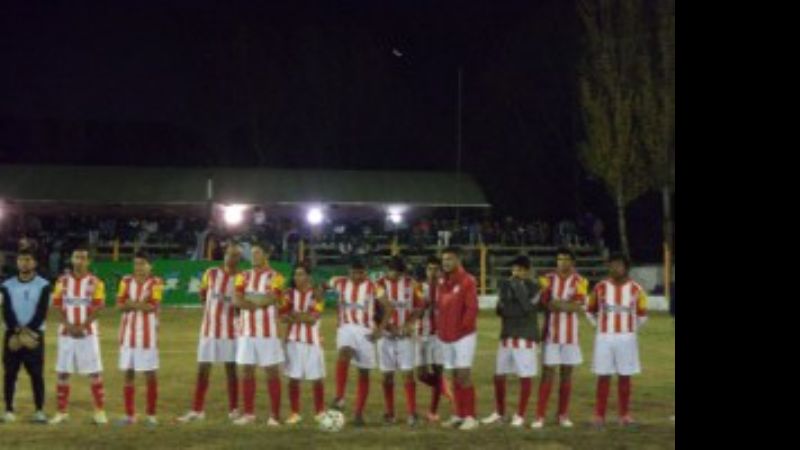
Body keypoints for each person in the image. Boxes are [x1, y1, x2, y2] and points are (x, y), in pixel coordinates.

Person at [178, 243, 243, 423]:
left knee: (231, 370)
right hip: (209, 329)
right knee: (203, 369)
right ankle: (197, 410)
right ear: (224, 255)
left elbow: (241, 305)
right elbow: (202, 295)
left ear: (239, 259)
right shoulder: (211, 273)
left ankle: (234, 410)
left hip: (230, 331)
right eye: (229, 254)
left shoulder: (241, 278)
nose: (232, 258)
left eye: (236, 256)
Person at [328, 259, 393, 426]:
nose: (357, 276)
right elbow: (324, 285)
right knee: (344, 353)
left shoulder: (374, 287)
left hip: (366, 332)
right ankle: (340, 396)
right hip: (346, 328)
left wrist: (380, 329)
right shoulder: (339, 282)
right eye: (354, 272)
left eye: (361, 273)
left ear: (366, 272)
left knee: (364, 373)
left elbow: (388, 306)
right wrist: (319, 291)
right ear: (349, 271)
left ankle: (358, 413)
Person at [586, 253, 648, 427]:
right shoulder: (600, 288)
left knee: (625, 376)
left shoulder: (636, 289)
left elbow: (642, 315)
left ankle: (624, 415)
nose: (615, 268)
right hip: (604, 338)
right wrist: (598, 328)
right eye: (612, 265)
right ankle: (599, 415)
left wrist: (630, 330)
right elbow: (590, 310)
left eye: (619, 265)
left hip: (627, 339)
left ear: (625, 267)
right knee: (603, 375)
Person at [49, 245, 108, 425]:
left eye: (83, 258)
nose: (80, 261)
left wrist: (82, 326)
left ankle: (99, 412)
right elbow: (57, 306)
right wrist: (69, 326)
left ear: (88, 261)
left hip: (88, 334)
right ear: (72, 259)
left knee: (95, 372)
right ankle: (62, 412)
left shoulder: (96, 282)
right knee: (63, 372)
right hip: (66, 334)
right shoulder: (62, 282)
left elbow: (98, 307)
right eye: (77, 257)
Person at [481, 256, 541, 428]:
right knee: (499, 375)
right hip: (507, 335)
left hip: (525, 337)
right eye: (514, 270)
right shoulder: (506, 285)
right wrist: (506, 301)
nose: (516, 273)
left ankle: (520, 414)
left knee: (525, 375)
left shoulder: (535, 287)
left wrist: (516, 290)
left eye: (520, 270)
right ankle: (499, 412)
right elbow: (500, 310)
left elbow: (527, 308)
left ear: (528, 271)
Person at [533, 248, 589, 429]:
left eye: (566, 259)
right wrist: (565, 304)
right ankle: (540, 415)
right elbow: (544, 304)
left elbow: (578, 306)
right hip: (551, 335)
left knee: (566, 374)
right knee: (547, 374)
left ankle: (562, 415)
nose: (562, 262)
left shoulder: (580, 281)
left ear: (572, 262)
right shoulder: (547, 279)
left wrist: (558, 304)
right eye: (559, 259)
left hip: (570, 337)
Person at [232, 243, 286, 426]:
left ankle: (275, 416)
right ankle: (249, 414)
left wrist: (248, 300)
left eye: (258, 252)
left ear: (266, 254)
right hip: (246, 331)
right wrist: (256, 304)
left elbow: (272, 298)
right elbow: (235, 300)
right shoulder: (242, 276)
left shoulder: (276, 276)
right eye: (252, 253)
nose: (254, 256)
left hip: (268, 332)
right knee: (246, 371)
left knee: (271, 372)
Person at [0, 249, 50, 423]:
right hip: (12, 335)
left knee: (36, 374)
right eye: (21, 259)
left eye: (28, 259)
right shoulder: (7, 285)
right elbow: (6, 311)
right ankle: (8, 410)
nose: (24, 263)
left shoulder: (43, 285)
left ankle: (39, 411)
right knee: (9, 374)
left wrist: (27, 332)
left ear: (34, 263)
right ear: (17, 262)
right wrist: (18, 332)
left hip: (34, 335)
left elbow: (41, 312)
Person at [115, 251, 163, 426]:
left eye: (143, 264)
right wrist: (137, 305)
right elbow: (119, 305)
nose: (139, 267)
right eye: (136, 264)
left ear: (150, 265)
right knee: (128, 374)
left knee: (150, 374)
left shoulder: (156, 282)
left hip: (147, 337)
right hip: (127, 336)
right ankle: (130, 415)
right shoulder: (126, 281)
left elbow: (153, 306)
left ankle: (151, 415)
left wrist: (131, 304)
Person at [375, 256, 424, 426]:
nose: (394, 273)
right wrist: (386, 327)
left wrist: (409, 323)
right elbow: (374, 311)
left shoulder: (412, 284)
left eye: (397, 270)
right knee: (387, 376)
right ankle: (390, 413)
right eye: (391, 269)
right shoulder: (379, 285)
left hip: (405, 336)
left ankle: (412, 413)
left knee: (407, 374)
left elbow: (419, 307)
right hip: (386, 337)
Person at [437, 247, 479, 431]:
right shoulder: (441, 281)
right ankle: (458, 414)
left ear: (458, 260)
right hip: (446, 335)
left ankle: (470, 416)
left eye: (450, 259)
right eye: (444, 259)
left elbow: (471, 308)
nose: (446, 262)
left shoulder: (467, 280)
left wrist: (462, 329)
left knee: (463, 374)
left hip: (463, 336)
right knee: (453, 376)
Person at [280, 264, 326, 425]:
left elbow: (313, 318)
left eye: (301, 274)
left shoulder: (317, 294)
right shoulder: (289, 294)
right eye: (295, 275)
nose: (297, 278)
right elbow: (282, 316)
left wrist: (294, 315)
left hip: (313, 341)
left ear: (308, 276)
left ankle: (320, 412)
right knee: (293, 378)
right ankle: (295, 413)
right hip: (293, 341)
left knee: (317, 378)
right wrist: (299, 316)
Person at [415, 255, 451, 423]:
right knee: (420, 375)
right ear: (426, 270)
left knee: (438, 373)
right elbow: (417, 312)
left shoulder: (447, 288)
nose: (433, 272)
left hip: (440, 336)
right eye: (430, 269)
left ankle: (433, 411)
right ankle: (443, 387)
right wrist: (424, 305)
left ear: (441, 271)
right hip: (422, 335)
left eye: (437, 269)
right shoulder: (419, 288)